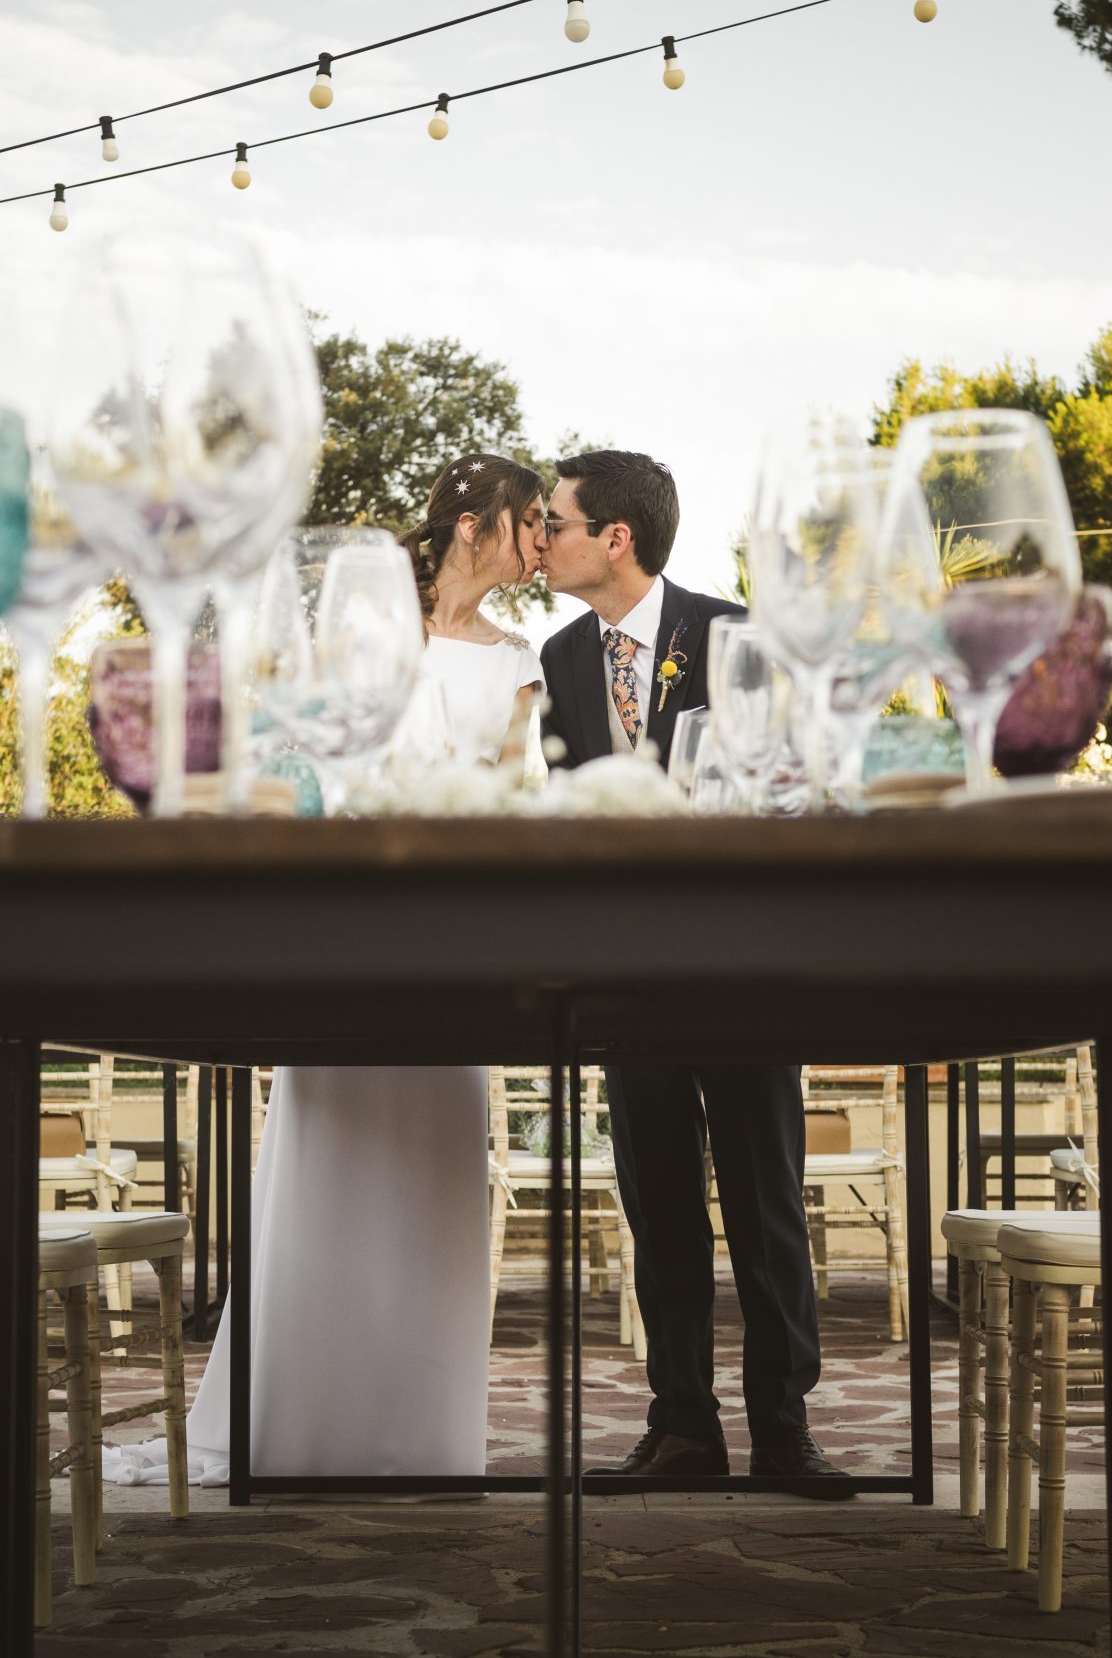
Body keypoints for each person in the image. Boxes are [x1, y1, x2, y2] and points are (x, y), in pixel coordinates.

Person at [108, 454, 550, 1487]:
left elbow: (507, 797)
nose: (539, 539)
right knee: (327, 1159)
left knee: (432, 1170)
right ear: (476, 524)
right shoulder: (365, 632)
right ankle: (293, 1419)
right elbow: (307, 759)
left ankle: (418, 1435)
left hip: (452, 945)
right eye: (529, 519)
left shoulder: (518, 660)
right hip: (351, 929)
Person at [536, 449, 847, 1495]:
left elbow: (792, 784)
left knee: (766, 1204)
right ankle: (682, 1428)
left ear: (615, 537)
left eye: (557, 522)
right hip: (627, 976)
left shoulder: (735, 633)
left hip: (744, 965)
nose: (542, 540)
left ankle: (785, 1429)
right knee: (658, 1206)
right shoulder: (562, 656)